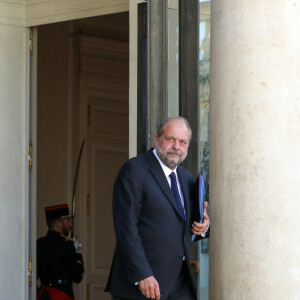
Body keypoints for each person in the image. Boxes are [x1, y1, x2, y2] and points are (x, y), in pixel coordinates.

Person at [105, 117, 210, 300]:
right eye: (170, 139)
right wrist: (142, 274)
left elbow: (184, 228)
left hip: (179, 284)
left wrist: (204, 227)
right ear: (157, 140)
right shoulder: (134, 170)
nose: (176, 146)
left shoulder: (185, 178)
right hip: (143, 286)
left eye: (183, 142)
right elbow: (126, 228)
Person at [37, 203, 84, 300]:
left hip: (43, 294)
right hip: (62, 294)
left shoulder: (39, 243)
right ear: (58, 224)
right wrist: (78, 252)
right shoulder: (67, 245)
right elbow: (78, 277)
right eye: (68, 221)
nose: (70, 225)